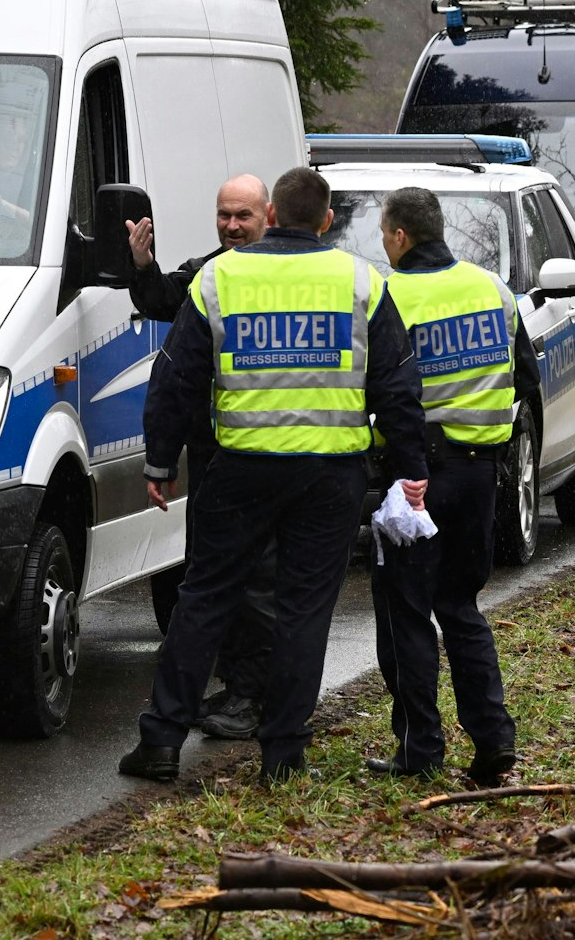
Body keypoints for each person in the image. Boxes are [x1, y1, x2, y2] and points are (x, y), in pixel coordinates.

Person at [120, 167, 430, 783]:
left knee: (203, 599)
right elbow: (398, 383)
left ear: (271, 216)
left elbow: (176, 376)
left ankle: (160, 741)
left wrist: (160, 460)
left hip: (239, 470)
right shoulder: (360, 281)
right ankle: (283, 754)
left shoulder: (220, 276)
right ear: (324, 222)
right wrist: (412, 470)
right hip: (330, 475)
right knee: (304, 612)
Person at [364, 187, 539, 785]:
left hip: (418, 480)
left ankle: (420, 748)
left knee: (405, 613)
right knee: (460, 607)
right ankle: (493, 741)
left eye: (384, 234)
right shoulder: (493, 288)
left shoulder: (393, 296)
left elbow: (385, 393)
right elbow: (524, 379)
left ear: (400, 237)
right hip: (480, 474)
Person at [127, 174, 275, 741]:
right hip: (216, 453)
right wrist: (142, 267)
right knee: (219, 578)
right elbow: (166, 304)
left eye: (244, 216)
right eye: (224, 216)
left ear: (269, 214)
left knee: (256, 584)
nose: (233, 227)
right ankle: (241, 690)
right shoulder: (210, 272)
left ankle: (254, 699)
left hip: (276, 455)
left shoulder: (295, 272)